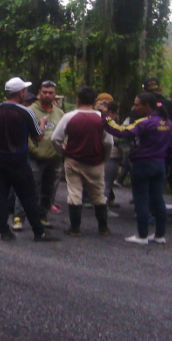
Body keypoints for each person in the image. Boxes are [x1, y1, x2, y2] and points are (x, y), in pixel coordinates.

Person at [0, 77, 59, 242]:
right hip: (19, 161)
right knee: (28, 196)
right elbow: (38, 138)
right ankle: (39, 232)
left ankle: (4, 230)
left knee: (1, 196)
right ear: (20, 93)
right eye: (25, 90)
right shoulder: (26, 112)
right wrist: (42, 123)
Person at [103, 92, 172, 245]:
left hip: (143, 164)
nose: (134, 108)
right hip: (160, 164)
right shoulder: (168, 123)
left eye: (137, 104)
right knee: (158, 199)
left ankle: (142, 235)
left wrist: (106, 118)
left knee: (141, 199)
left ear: (147, 107)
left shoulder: (144, 123)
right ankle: (159, 234)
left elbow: (122, 132)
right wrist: (168, 165)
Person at [51, 86, 114, 236]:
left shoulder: (69, 117)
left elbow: (55, 139)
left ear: (78, 100)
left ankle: (75, 228)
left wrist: (64, 152)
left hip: (73, 160)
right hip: (95, 162)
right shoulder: (102, 118)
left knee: (74, 193)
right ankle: (103, 228)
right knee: (98, 193)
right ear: (94, 101)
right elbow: (109, 142)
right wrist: (104, 158)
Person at [12, 80, 64, 232]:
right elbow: (22, 134)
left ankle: (42, 216)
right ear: (39, 93)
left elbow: (65, 132)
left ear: (55, 95)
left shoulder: (59, 113)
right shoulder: (29, 111)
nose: (47, 95)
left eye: (51, 92)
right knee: (28, 187)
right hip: (34, 157)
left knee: (48, 190)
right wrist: (34, 150)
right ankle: (18, 218)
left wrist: (62, 148)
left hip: (54, 158)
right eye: (44, 92)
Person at [142, 77, 172, 223]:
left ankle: (153, 214)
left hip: (150, 151)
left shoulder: (142, 105)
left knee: (153, 183)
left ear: (144, 89)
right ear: (160, 87)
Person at [100, 101, 123, 211]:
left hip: (110, 155)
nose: (116, 116)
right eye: (116, 113)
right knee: (106, 184)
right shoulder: (108, 124)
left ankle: (104, 206)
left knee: (106, 183)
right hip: (111, 155)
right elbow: (110, 140)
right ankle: (103, 209)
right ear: (110, 112)